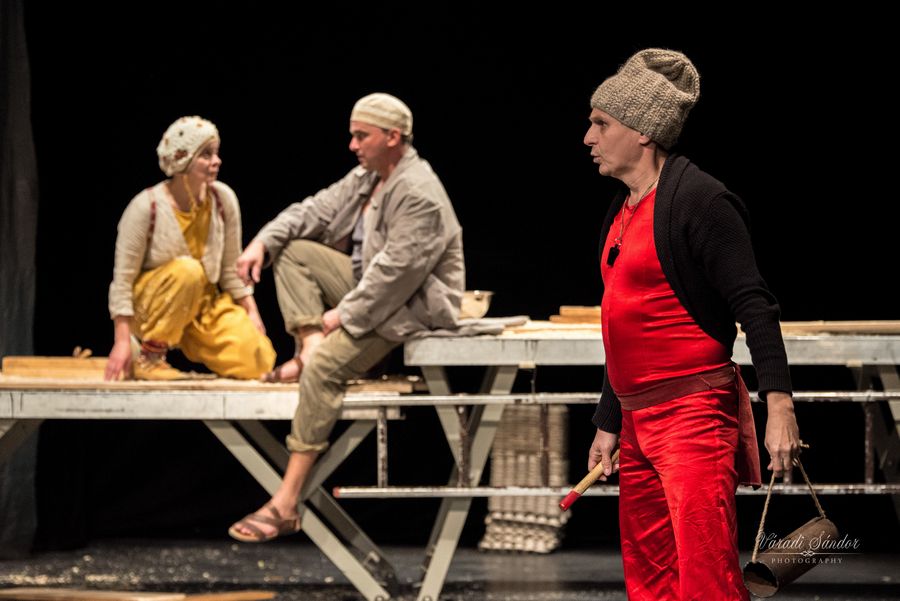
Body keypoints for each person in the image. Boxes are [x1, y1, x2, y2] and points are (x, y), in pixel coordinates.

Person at [582, 49, 801, 600]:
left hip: (691, 417)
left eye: (601, 124)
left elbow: (755, 305)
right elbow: (625, 326)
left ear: (643, 132)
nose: (588, 137)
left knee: (707, 577)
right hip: (636, 423)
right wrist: (609, 421)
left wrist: (779, 407)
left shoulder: (700, 201)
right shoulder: (622, 209)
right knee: (650, 576)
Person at [228, 93, 464, 542]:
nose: (353, 145)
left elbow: (396, 277)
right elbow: (311, 211)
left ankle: (285, 503)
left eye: (361, 136)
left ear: (392, 137)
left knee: (322, 371)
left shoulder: (418, 192)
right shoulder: (368, 177)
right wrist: (261, 242)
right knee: (293, 250)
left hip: (411, 306)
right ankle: (310, 347)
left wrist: (339, 315)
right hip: (370, 289)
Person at [105, 116, 276, 381]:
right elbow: (123, 280)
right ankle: (149, 356)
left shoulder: (223, 199)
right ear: (183, 161)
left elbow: (230, 269)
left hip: (200, 305)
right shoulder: (146, 207)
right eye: (206, 155)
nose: (216, 161)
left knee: (259, 360)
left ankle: (177, 343)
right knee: (189, 271)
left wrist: (251, 311)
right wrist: (122, 340)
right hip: (153, 305)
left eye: (216, 153)